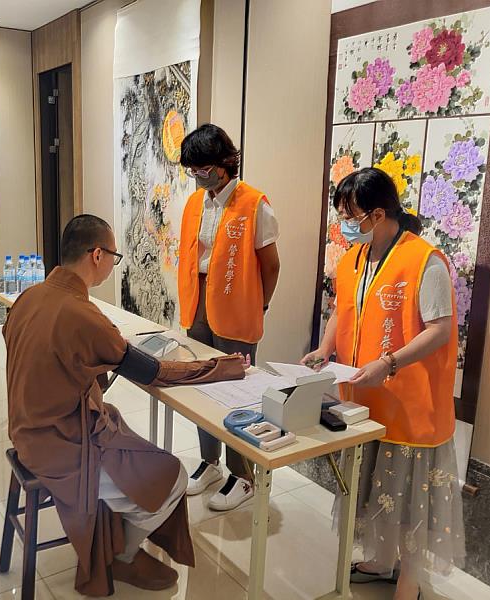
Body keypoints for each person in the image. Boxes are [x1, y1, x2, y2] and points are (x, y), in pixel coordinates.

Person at [4, 214, 247, 596]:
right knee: (173, 477)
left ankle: (117, 537)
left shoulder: (28, 297)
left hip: (25, 429)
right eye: (114, 256)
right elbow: (151, 371)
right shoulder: (82, 314)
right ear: (97, 255)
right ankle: (122, 557)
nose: (112, 264)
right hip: (60, 445)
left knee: (129, 440)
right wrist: (219, 366)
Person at [302, 168, 465, 600]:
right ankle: (379, 561)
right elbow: (342, 310)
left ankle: (408, 581)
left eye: (350, 215)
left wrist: (389, 361)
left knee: (409, 497)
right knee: (375, 487)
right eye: (340, 214)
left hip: (411, 400)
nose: (344, 224)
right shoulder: (353, 259)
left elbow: (441, 329)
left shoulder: (423, 259)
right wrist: (323, 348)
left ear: (378, 213)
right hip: (366, 395)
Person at [177, 123, 281, 511]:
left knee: (238, 391)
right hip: (198, 302)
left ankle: (243, 476)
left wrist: (261, 305)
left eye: (202, 168)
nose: (198, 176)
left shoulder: (255, 204)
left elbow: (271, 266)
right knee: (203, 386)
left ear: (223, 164)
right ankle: (209, 463)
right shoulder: (195, 202)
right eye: (192, 170)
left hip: (237, 307)